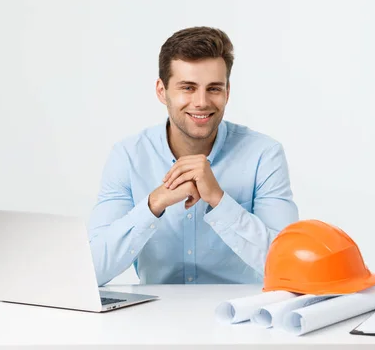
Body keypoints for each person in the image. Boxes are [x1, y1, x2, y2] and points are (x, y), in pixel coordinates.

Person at [87, 26, 299, 286]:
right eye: (187, 88)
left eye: (214, 89)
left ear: (227, 92)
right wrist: (153, 205)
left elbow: (289, 266)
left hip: (240, 316)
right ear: (161, 91)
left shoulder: (263, 155)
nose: (201, 102)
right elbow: (91, 271)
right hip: (152, 318)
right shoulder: (128, 156)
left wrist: (219, 201)